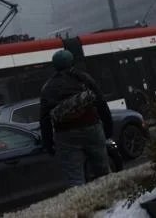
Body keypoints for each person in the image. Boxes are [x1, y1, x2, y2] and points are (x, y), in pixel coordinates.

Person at [38, 49, 112, 186]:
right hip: (92, 127)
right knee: (102, 170)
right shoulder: (83, 78)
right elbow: (101, 103)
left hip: (65, 134)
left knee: (74, 177)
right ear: (71, 62)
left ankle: (83, 204)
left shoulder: (48, 87)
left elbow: (44, 118)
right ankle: (110, 198)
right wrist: (108, 129)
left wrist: (48, 143)